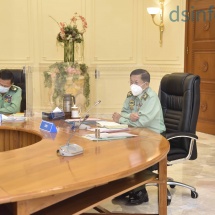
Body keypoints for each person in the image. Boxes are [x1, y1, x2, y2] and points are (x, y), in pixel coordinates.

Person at [112, 69, 166, 205]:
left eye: (136, 82)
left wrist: (122, 119)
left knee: (137, 156)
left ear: (146, 84)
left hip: (153, 135)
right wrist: (128, 117)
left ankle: (140, 192)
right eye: (131, 82)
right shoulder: (131, 95)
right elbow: (124, 112)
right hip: (136, 132)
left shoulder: (151, 98)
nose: (132, 85)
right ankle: (125, 187)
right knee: (118, 151)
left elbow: (142, 121)